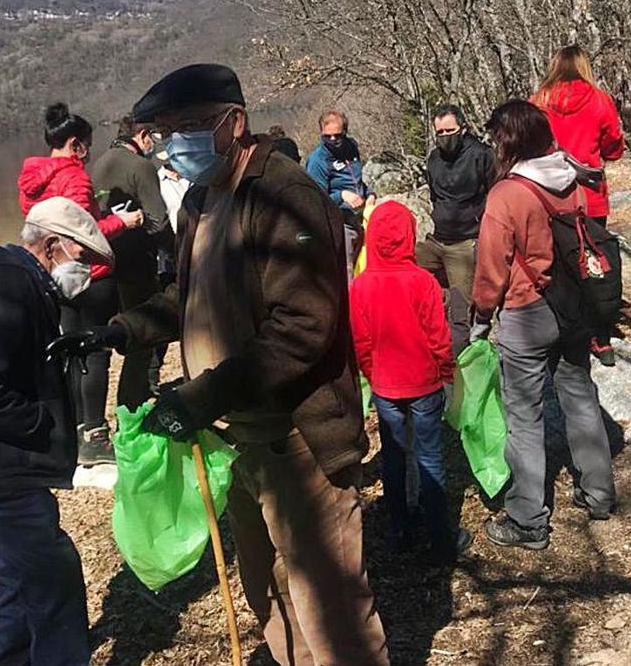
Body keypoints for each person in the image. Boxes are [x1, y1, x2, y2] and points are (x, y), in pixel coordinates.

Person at [51, 64, 389, 666]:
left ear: (234, 123)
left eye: (189, 127)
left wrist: (201, 397)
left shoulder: (284, 195)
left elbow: (303, 327)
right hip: (236, 438)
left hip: (296, 440)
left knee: (330, 603)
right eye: (164, 130)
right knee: (269, 594)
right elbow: (189, 295)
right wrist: (119, 330)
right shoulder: (201, 201)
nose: (173, 142)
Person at [0, 196, 114, 666]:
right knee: (53, 576)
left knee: (15, 579)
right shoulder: (3, 287)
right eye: (82, 259)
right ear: (51, 246)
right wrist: (43, 427)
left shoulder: (24, 284)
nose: (85, 272)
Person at [472, 100, 618, 549]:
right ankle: (598, 493)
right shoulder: (570, 179)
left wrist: (480, 316)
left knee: (524, 416)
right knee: (579, 398)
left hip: (526, 312)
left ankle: (528, 518)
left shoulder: (507, 194)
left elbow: (491, 269)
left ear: (509, 140)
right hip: (572, 307)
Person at [17, 103, 144, 465]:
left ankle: (71, 431)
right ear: (76, 144)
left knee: (69, 348)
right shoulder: (74, 177)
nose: (88, 153)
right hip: (88, 275)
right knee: (93, 351)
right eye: (86, 145)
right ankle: (95, 434)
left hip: (53, 274)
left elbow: (48, 230)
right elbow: (81, 235)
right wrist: (126, 222)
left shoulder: (33, 180)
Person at [350, 200, 471, 564]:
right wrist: (446, 372)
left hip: (386, 386)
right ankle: (439, 537)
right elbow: (438, 336)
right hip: (425, 383)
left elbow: (361, 342)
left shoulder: (360, 286)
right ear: (409, 236)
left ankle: (399, 529)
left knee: (394, 457)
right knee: (431, 458)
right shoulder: (423, 282)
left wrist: (373, 374)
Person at [530, 45, 625, 366]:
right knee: (596, 264)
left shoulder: (539, 101)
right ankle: (601, 337)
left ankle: (564, 334)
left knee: (557, 266)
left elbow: (528, 142)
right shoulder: (599, 100)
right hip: (590, 197)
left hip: (549, 197)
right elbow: (614, 147)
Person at [90, 114, 177, 416]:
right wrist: (177, 253)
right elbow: (157, 223)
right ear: (141, 136)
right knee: (140, 339)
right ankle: (132, 408)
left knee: (98, 349)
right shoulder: (141, 167)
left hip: (100, 268)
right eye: (152, 135)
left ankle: (92, 425)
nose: (155, 142)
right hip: (137, 266)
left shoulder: (95, 166)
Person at [419, 104, 495, 351]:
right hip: (437, 238)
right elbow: (434, 195)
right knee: (405, 267)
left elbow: (495, 194)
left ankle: (458, 357)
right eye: (439, 133)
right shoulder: (434, 159)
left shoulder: (482, 155)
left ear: (462, 128)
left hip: (466, 241)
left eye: (449, 131)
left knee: (461, 308)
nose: (444, 137)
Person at [306, 109, 369, 272]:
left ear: (345, 132)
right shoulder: (318, 160)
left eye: (337, 135)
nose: (333, 140)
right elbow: (316, 201)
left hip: (360, 218)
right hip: (339, 224)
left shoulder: (352, 147)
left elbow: (357, 180)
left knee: (363, 269)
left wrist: (369, 194)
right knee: (346, 273)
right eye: (327, 136)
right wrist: (341, 196)